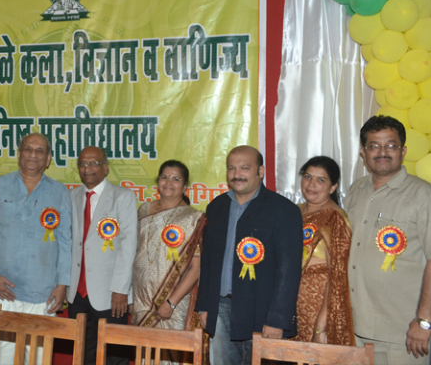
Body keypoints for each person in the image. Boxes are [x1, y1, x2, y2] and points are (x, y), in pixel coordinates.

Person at [346, 115, 431, 365]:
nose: (382, 152)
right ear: (363, 152)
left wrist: (424, 321)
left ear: (403, 151)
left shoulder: (424, 196)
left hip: (402, 332)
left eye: (391, 145)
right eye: (374, 145)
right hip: (354, 327)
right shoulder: (356, 190)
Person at [195, 145, 303, 365]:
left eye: (244, 168)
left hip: (263, 311)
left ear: (260, 171)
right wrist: (205, 306)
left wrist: (277, 319)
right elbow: (208, 262)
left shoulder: (284, 210)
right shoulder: (216, 207)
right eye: (231, 168)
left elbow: (289, 271)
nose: (237, 174)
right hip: (221, 309)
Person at [0, 133, 71, 365]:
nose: (33, 155)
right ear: (19, 154)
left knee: (38, 360)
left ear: (48, 158)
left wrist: (62, 285)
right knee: (0, 359)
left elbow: (66, 242)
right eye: (28, 149)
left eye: (39, 151)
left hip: (43, 293)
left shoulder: (59, 192)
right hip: (1, 291)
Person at [67, 146, 137, 365]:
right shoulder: (72, 196)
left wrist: (120, 289)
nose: (87, 168)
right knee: (83, 355)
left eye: (94, 163)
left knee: (114, 355)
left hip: (110, 294)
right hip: (77, 294)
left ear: (105, 168)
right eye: (83, 163)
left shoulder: (122, 196)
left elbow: (128, 245)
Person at [132, 160, 207, 365]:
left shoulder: (193, 218)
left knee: (170, 357)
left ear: (185, 186)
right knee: (145, 356)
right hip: (141, 300)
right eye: (164, 177)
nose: (169, 183)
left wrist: (171, 302)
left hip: (172, 302)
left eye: (176, 179)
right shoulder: (144, 209)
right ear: (158, 181)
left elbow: (196, 268)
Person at [290, 156, 354, 346]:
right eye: (308, 177)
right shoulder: (293, 211)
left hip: (316, 305)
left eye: (321, 180)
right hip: (289, 302)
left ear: (333, 187)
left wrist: (321, 326)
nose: (311, 184)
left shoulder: (335, 218)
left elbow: (338, 274)